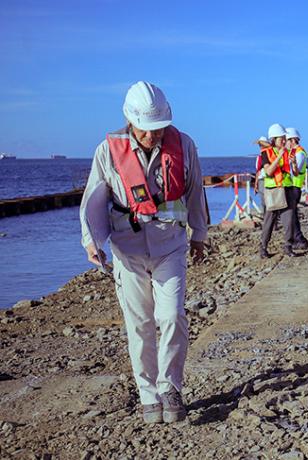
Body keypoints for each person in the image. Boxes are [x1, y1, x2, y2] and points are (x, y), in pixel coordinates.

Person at [80, 81, 207, 423]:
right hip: (128, 251)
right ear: (130, 121)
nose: (154, 136)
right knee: (139, 325)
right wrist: (91, 242)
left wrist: (200, 236)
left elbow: (195, 192)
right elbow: (93, 199)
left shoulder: (185, 146)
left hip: (170, 246)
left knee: (171, 317)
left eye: (159, 128)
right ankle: (148, 393)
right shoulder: (107, 153)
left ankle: (171, 387)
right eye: (147, 130)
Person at [259, 123, 296, 258]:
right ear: (274, 139)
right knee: (269, 221)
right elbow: (268, 171)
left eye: (284, 138)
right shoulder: (266, 153)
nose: (284, 141)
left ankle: (288, 247)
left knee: (289, 220)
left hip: (287, 189)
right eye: (282, 138)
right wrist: (280, 156)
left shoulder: (287, 152)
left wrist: (294, 163)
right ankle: (263, 248)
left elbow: (295, 173)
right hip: (274, 190)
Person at [286, 128, 308, 249]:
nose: (285, 143)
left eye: (286, 140)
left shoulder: (299, 153)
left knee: (292, 215)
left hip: (295, 187)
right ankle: (298, 239)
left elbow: (295, 171)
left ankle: (299, 239)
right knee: (292, 214)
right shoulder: (294, 152)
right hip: (292, 186)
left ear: (292, 140)